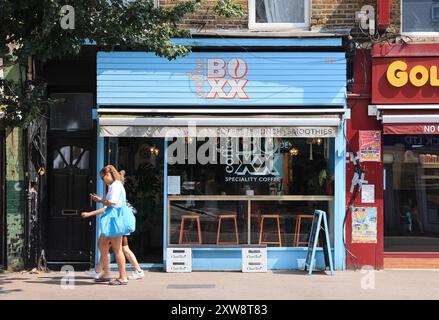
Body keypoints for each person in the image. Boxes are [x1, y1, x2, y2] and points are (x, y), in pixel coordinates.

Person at [81, 165, 129, 285]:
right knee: (102, 244)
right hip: (112, 220)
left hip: (114, 221)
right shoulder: (114, 186)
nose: (104, 180)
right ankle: (106, 273)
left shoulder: (116, 186)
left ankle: (123, 277)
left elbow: (111, 204)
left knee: (118, 250)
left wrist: (99, 200)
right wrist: (90, 214)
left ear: (111, 174)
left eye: (105, 176)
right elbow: (108, 207)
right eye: (102, 178)